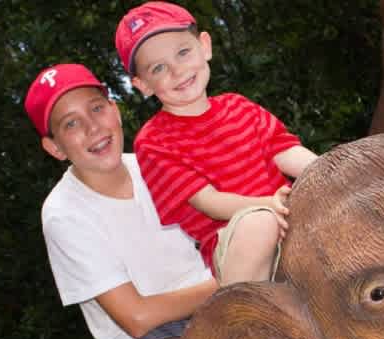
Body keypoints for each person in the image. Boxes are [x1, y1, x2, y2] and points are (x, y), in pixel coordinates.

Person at [24, 63, 214, 339]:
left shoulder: (156, 162)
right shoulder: (64, 212)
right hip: (156, 335)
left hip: (216, 294)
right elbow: (136, 317)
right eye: (70, 123)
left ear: (114, 109)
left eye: (96, 108)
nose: (92, 127)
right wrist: (225, 284)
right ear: (55, 148)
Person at [115, 1, 319, 285]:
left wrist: (328, 171)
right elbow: (209, 201)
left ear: (205, 46)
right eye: (159, 68)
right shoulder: (154, 141)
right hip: (237, 240)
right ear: (143, 85)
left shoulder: (239, 106)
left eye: (183, 52)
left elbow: (285, 151)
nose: (177, 71)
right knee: (260, 223)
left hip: (288, 215)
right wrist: (268, 205)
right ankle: (240, 317)